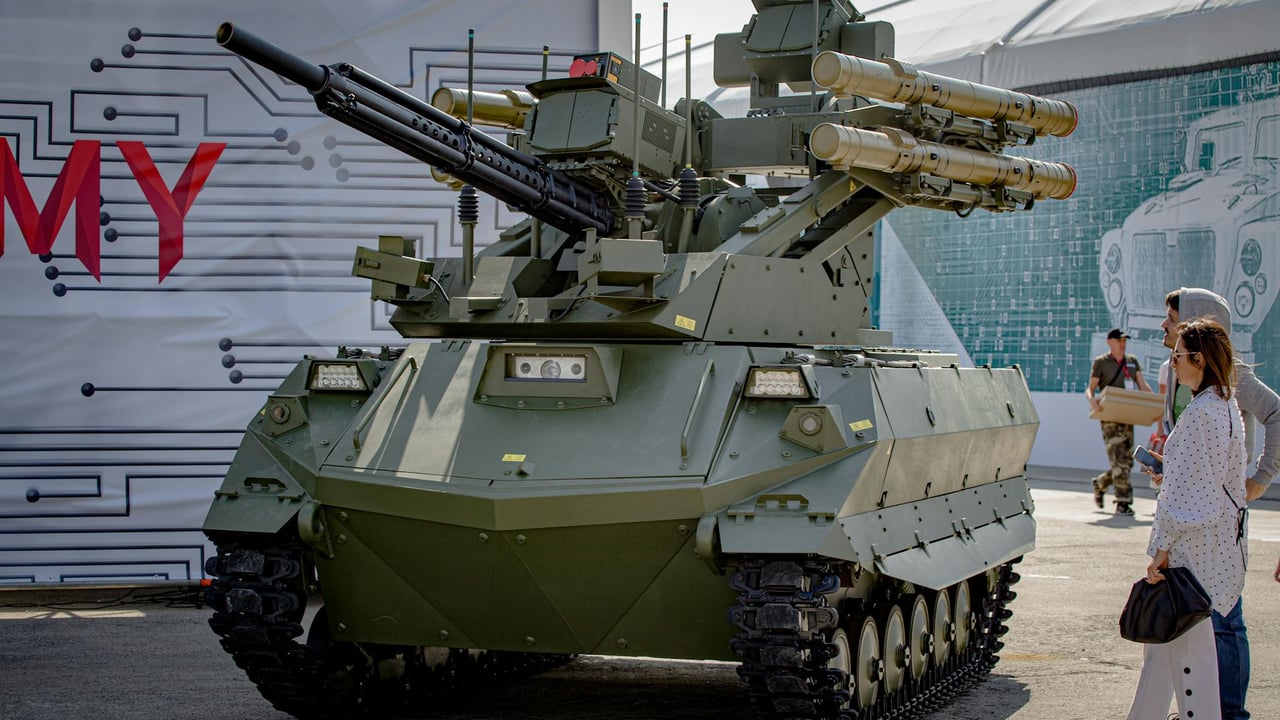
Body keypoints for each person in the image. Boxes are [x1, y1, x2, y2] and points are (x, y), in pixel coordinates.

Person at [1161, 287, 1280, 720]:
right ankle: (1200, 707)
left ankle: (1230, 713)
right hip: (1191, 514)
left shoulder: (1233, 375)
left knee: (1226, 619)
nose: (1164, 325)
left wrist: (1261, 478)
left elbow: (1277, 412)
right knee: (1192, 616)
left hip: (1219, 519)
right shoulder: (1175, 369)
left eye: (1171, 317)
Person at [1127, 318, 1248, 720]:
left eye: (1177, 355)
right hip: (1217, 551)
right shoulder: (1225, 406)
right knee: (1165, 653)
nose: (1173, 362)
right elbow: (1209, 478)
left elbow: (1189, 499)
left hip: (1190, 557)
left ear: (1198, 358)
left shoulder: (1202, 414)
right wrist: (1172, 466)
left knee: (1190, 658)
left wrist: (1161, 551)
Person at [1086, 328, 1152, 515]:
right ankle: (1123, 502)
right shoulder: (1101, 362)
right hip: (1109, 418)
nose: (1122, 344)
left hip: (1127, 417)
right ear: (1109, 342)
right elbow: (1091, 388)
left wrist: (1155, 406)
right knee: (1119, 460)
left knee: (1126, 462)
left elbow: (1143, 386)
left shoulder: (1132, 362)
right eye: (1118, 340)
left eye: (1124, 341)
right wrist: (1092, 400)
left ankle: (1101, 483)